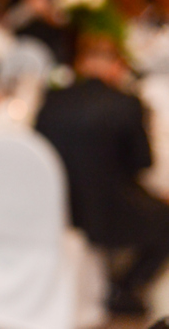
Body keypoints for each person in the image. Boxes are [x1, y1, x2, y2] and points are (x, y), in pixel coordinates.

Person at [35, 33, 169, 315]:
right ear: (115, 65)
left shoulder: (52, 99)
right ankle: (125, 287)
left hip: (57, 207)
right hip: (105, 211)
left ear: (82, 64)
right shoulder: (127, 104)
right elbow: (141, 163)